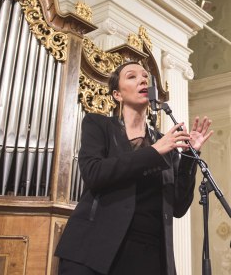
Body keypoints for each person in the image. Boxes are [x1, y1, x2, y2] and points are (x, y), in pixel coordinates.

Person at [55, 60, 213, 274]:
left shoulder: (163, 142)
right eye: (132, 76)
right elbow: (94, 174)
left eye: (145, 77)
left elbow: (178, 207)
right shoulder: (99, 125)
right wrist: (154, 151)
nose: (142, 80)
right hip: (95, 251)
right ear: (117, 95)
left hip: (149, 255)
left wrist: (187, 157)